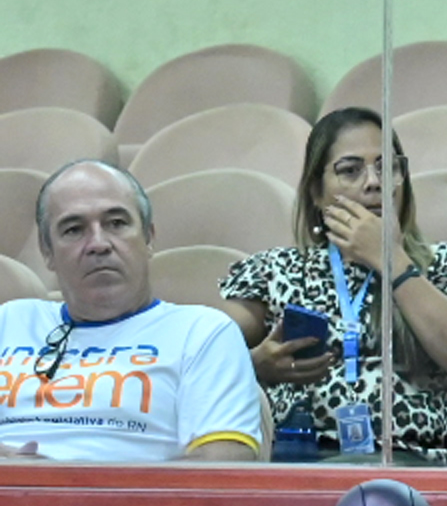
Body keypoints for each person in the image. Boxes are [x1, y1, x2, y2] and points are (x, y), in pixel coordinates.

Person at [219, 108, 447, 463]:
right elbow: (204, 351)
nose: (373, 182)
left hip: (412, 463)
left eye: (387, 168)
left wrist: (392, 260)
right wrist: (253, 365)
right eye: (351, 170)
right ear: (316, 192)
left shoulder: (443, 263)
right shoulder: (275, 270)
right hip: (300, 463)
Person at [0, 161, 262, 460]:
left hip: (134, 492)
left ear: (148, 237)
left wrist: (61, 481)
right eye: (74, 230)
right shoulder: (9, 322)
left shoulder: (203, 333)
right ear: (47, 251)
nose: (98, 244)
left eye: (116, 223)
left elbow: (222, 466)